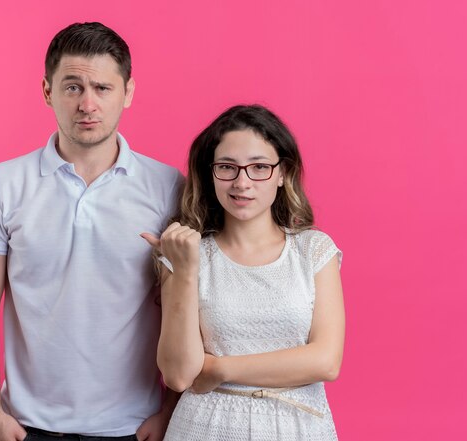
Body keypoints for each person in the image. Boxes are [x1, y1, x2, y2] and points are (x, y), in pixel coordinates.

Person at [0, 22, 183, 441]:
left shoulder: (168, 187)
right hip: (26, 426)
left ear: (128, 93)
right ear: (47, 91)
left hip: (134, 428)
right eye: (73, 87)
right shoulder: (4, 183)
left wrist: (170, 411)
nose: (88, 104)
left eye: (102, 88)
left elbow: (188, 307)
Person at [142, 104, 345, 440]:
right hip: (203, 428)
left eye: (259, 167)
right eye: (227, 167)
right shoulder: (187, 254)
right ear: (210, 173)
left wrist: (220, 369)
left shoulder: (313, 250)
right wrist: (186, 271)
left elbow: (326, 361)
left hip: (298, 428)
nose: (242, 182)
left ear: (283, 173)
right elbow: (179, 376)